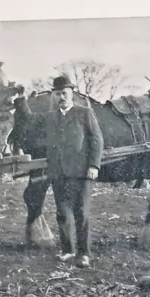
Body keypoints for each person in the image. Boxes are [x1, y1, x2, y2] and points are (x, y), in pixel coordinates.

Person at [45, 76, 104, 268]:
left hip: (80, 172)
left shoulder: (84, 113)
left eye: (64, 93)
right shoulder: (52, 116)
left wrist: (94, 166)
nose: (61, 97)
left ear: (72, 93)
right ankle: (68, 250)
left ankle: (84, 253)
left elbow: (97, 140)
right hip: (58, 172)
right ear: (54, 96)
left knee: (81, 213)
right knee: (62, 213)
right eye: (58, 94)